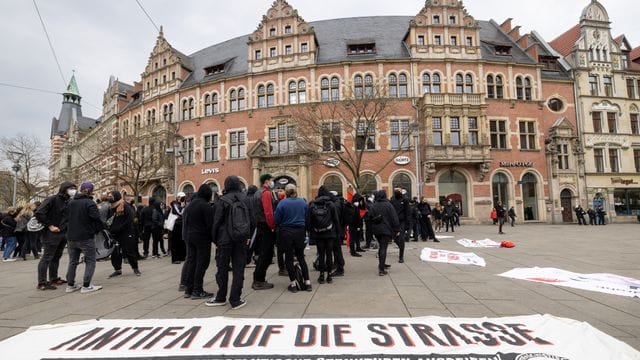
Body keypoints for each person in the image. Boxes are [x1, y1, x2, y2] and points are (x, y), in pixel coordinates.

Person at [206, 176, 250, 309]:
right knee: (239, 268)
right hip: (241, 238)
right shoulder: (245, 199)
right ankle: (236, 299)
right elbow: (252, 220)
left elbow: (216, 222)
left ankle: (221, 296)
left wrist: (215, 239)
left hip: (224, 239)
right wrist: (247, 235)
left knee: (223, 268)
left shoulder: (222, 200)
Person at [35, 181, 77, 290]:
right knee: (47, 257)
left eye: (74, 188)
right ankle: (42, 282)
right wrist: (50, 225)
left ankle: (54, 278)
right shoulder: (52, 199)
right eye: (70, 188)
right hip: (51, 233)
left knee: (56, 257)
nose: (73, 190)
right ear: (64, 189)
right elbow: (39, 213)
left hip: (63, 233)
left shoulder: (69, 201)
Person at [64, 182, 104, 294]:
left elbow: (66, 218)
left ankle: (70, 285)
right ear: (91, 191)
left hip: (71, 237)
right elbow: (96, 218)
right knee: (90, 260)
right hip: (85, 236)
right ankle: (86, 286)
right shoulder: (89, 203)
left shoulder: (71, 203)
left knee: (73, 261)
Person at [274, 183, 311, 293]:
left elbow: (277, 219)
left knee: (289, 258)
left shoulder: (282, 203)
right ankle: (307, 282)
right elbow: (307, 217)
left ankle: (293, 284)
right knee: (301, 257)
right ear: (295, 191)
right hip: (300, 232)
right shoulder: (303, 202)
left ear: (286, 192)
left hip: (287, 233)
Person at [181, 184, 215, 299]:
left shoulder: (190, 205)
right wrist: (215, 240)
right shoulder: (205, 206)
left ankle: (188, 289)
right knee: (202, 263)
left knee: (191, 262)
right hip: (202, 238)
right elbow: (210, 225)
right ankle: (197, 289)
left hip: (190, 237)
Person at [308, 185, 341, 284]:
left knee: (321, 254)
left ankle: (321, 275)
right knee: (329, 254)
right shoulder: (331, 204)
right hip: (330, 233)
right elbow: (335, 220)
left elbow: (309, 221)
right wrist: (338, 232)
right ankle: (329, 275)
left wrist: (311, 233)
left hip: (318, 233)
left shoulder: (313, 205)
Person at [252, 174, 278, 291]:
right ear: (266, 181)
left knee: (263, 253)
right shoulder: (266, 193)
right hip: (266, 225)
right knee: (266, 254)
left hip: (260, 224)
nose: (272, 182)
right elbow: (268, 212)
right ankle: (259, 280)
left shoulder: (257, 193)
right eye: (271, 180)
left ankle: (258, 278)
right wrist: (272, 226)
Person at [107, 190, 141, 278]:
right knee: (115, 253)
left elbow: (130, 219)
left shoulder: (125, 206)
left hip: (126, 233)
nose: (110, 197)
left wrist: (121, 227)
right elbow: (109, 220)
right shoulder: (111, 207)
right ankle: (117, 270)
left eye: (111, 196)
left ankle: (135, 268)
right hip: (115, 234)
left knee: (129, 251)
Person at [369, 190, 399, 276]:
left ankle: (382, 264)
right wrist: (397, 229)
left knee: (381, 246)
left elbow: (370, 217)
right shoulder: (388, 205)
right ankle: (381, 269)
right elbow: (394, 218)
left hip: (376, 230)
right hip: (386, 229)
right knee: (383, 247)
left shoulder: (374, 205)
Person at [390, 188, 409, 263]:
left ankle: (401, 256)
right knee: (395, 238)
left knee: (401, 239)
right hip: (394, 222)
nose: (397, 192)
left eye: (398, 191)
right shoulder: (392, 200)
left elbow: (407, 212)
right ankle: (400, 247)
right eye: (396, 191)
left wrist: (407, 224)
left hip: (402, 222)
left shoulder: (405, 200)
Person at [169, 192, 187, 264]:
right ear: (178, 197)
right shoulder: (174, 204)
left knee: (182, 241)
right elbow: (179, 212)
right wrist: (183, 207)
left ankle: (182, 256)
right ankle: (175, 258)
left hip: (182, 225)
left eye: (183, 198)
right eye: (181, 197)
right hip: (175, 225)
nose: (182, 199)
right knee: (175, 242)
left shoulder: (185, 204)